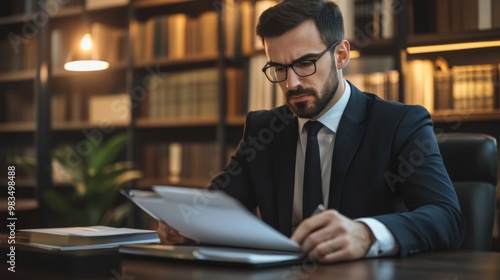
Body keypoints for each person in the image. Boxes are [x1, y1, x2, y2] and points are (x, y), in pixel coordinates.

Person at [158, 0, 464, 263]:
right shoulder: (263, 129)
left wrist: (367, 234)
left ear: (341, 55)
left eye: (305, 63)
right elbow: (217, 206)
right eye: (278, 68)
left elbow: (447, 218)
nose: (291, 84)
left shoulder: (399, 123)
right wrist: (188, 225)